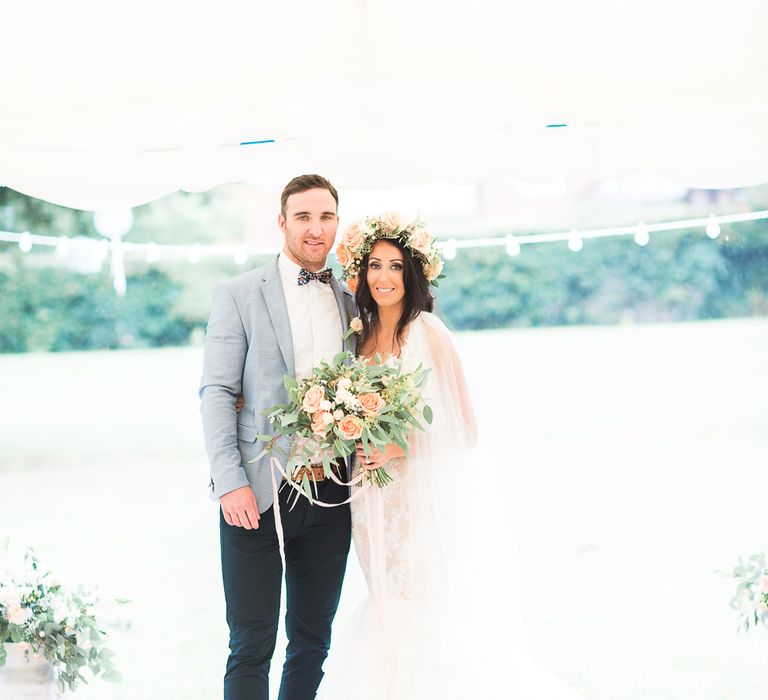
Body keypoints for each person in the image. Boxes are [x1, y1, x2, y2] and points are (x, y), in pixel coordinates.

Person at [317, 214, 584, 699]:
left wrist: (399, 446)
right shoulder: (358, 338)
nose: (383, 277)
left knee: (420, 606)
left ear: (411, 274)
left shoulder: (429, 332)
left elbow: (466, 429)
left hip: (417, 497)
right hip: (369, 499)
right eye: (374, 266)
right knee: (385, 602)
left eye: (395, 267)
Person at [199, 174, 357, 700]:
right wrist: (229, 482)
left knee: (312, 641)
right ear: (283, 222)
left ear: (337, 221)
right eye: (304, 217)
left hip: (332, 491)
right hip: (258, 491)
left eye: (326, 217)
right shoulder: (240, 294)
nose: (316, 229)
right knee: (250, 642)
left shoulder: (353, 300)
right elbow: (218, 391)